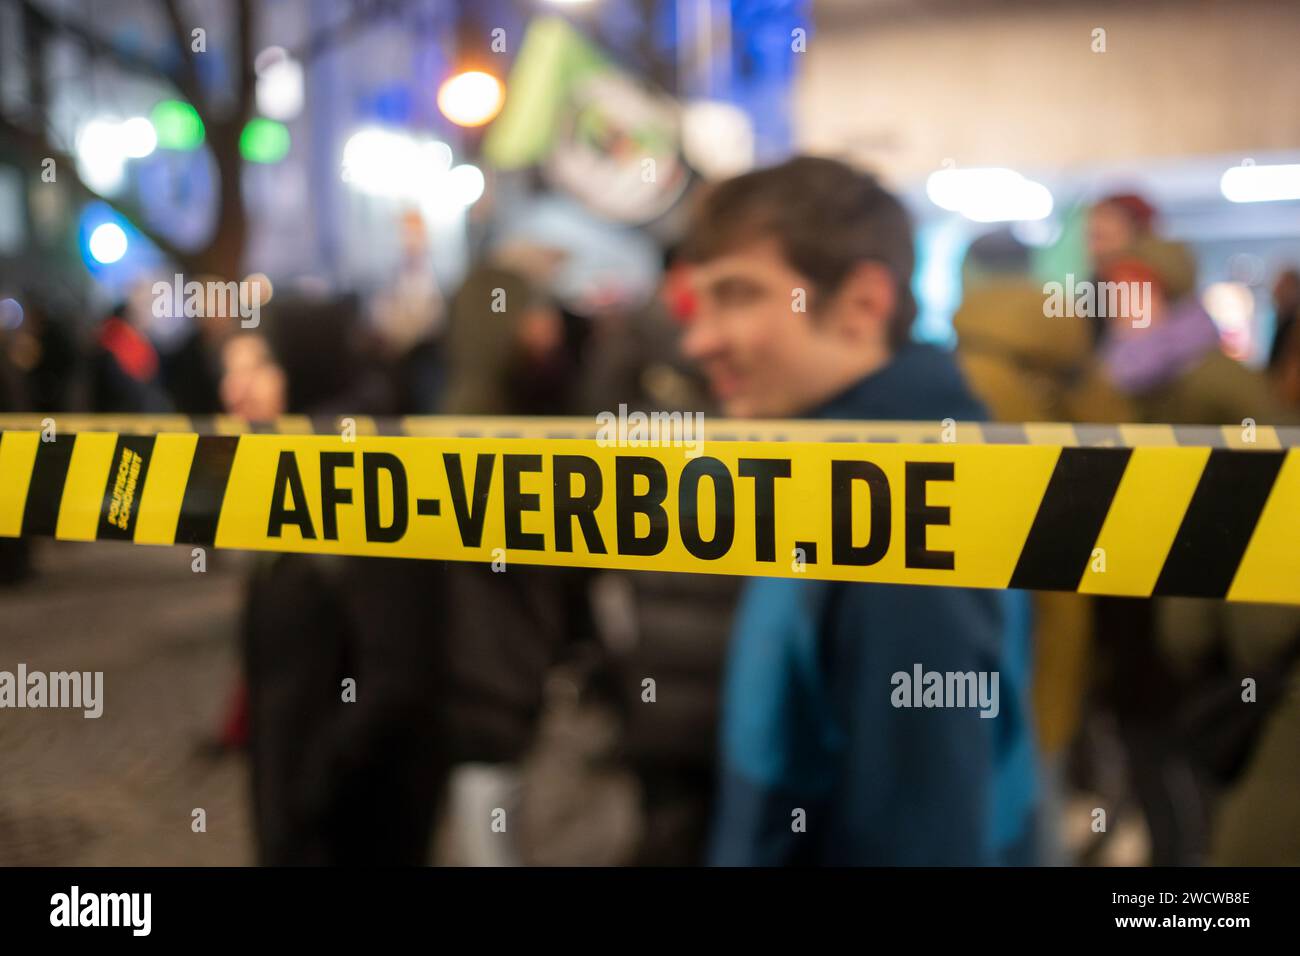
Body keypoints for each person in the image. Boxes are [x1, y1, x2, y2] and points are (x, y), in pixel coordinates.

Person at [680, 156, 1037, 865]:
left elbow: (922, 839)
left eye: (740, 295)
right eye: (701, 304)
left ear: (862, 304)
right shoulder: (843, 475)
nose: (701, 342)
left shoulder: (905, 520)